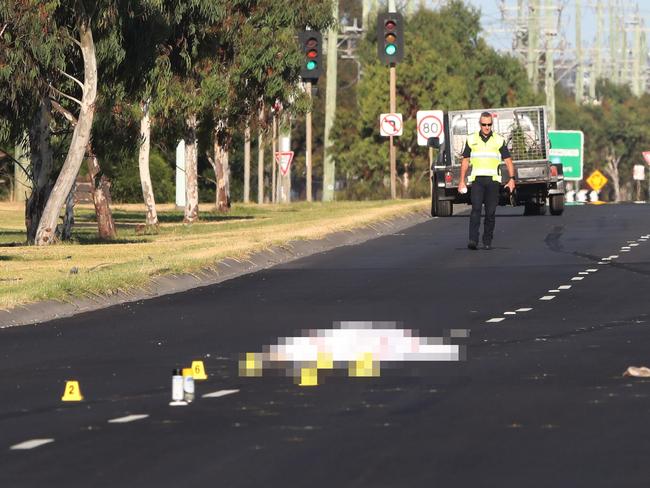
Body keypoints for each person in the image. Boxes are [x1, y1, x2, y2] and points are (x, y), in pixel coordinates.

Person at [457, 112, 516, 250]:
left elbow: (508, 161)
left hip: (493, 181)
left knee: (490, 212)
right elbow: (465, 160)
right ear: (480, 124)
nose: (487, 127)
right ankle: (473, 239)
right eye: (484, 124)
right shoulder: (471, 139)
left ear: (491, 124)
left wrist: (512, 179)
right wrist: (461, 180)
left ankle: (487, 240)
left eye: (489, 124)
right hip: (477, 180)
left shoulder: (498, 140)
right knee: (476, 209)